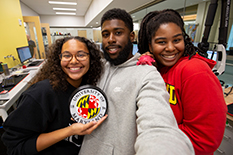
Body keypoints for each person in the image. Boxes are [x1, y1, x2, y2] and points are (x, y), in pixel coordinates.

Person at [79, 8, 194, 155]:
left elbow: (157, 124)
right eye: (105, 34)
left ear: (132, 36)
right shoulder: (98, 67)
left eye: (118, 33)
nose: (111, 39)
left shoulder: (147, 73)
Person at [137, 9, 227, 155]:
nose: (171, 48)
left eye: (177, 40)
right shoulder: (158, 68)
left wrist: (150, 137)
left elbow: (204, 139)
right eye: (161, 42)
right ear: (149, 45)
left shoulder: (195, 70)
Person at [1, 36, 108, 154]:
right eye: (67, 55)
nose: (73, 61)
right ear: (59, 59)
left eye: (81, 55)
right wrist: (70, 130)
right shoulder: (41, 94)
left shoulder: (88, 88)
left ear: (91, 58)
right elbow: (16, 147)